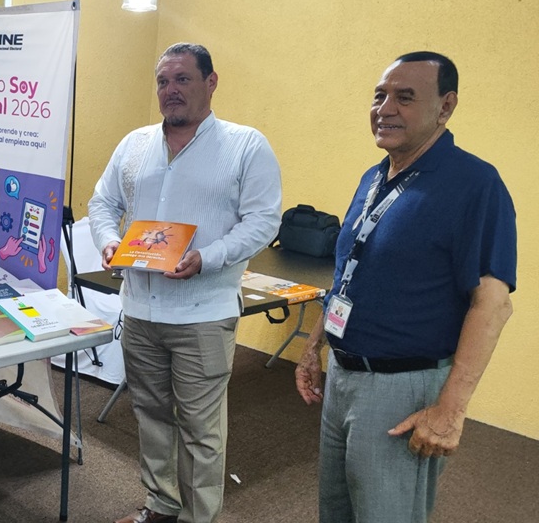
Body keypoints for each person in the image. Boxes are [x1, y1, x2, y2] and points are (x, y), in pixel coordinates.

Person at [294, 52, 516, 523]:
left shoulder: (475, 184)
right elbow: (348, 273)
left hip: (402, 388)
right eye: (380, 95)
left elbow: (492, 304)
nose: (385, 108)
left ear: (446, 106)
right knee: (336, 511)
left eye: (405, 97)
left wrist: (450, 412)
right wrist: (316, 346)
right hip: (345, 376)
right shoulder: (374, 177)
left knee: (385, 514)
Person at [89, 43, 282, 523]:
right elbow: (102, 203)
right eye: (162, 81)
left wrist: (208, 258)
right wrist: (110, 241)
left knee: (200, 429)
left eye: (182, 79)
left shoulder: (245, 145)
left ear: (211, 82)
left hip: (203, 313)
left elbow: (263, 221)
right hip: (139, 311)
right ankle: (160, 506)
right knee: (151, 418)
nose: (170, 91)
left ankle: (199, 518)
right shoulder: (134, 144)